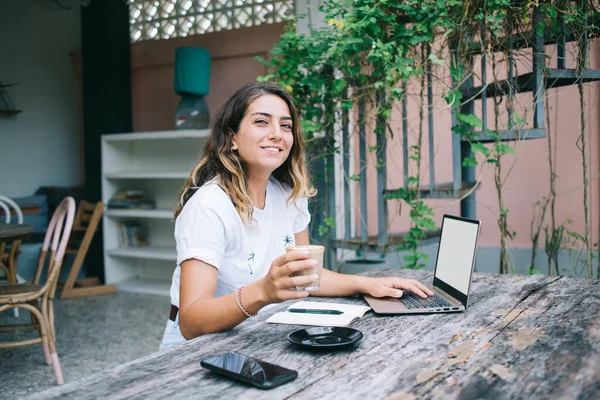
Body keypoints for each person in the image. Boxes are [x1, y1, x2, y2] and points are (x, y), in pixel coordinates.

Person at [159, 81, 433, 350]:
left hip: (260, 334)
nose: (277, 133)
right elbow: (192, 321)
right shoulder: (209, 207)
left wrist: (369, 284)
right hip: (195, 351)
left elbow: (306, 276)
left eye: (286, 125)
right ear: (232, 138)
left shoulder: (289, 195)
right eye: (261, 122)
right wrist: (263, 292)